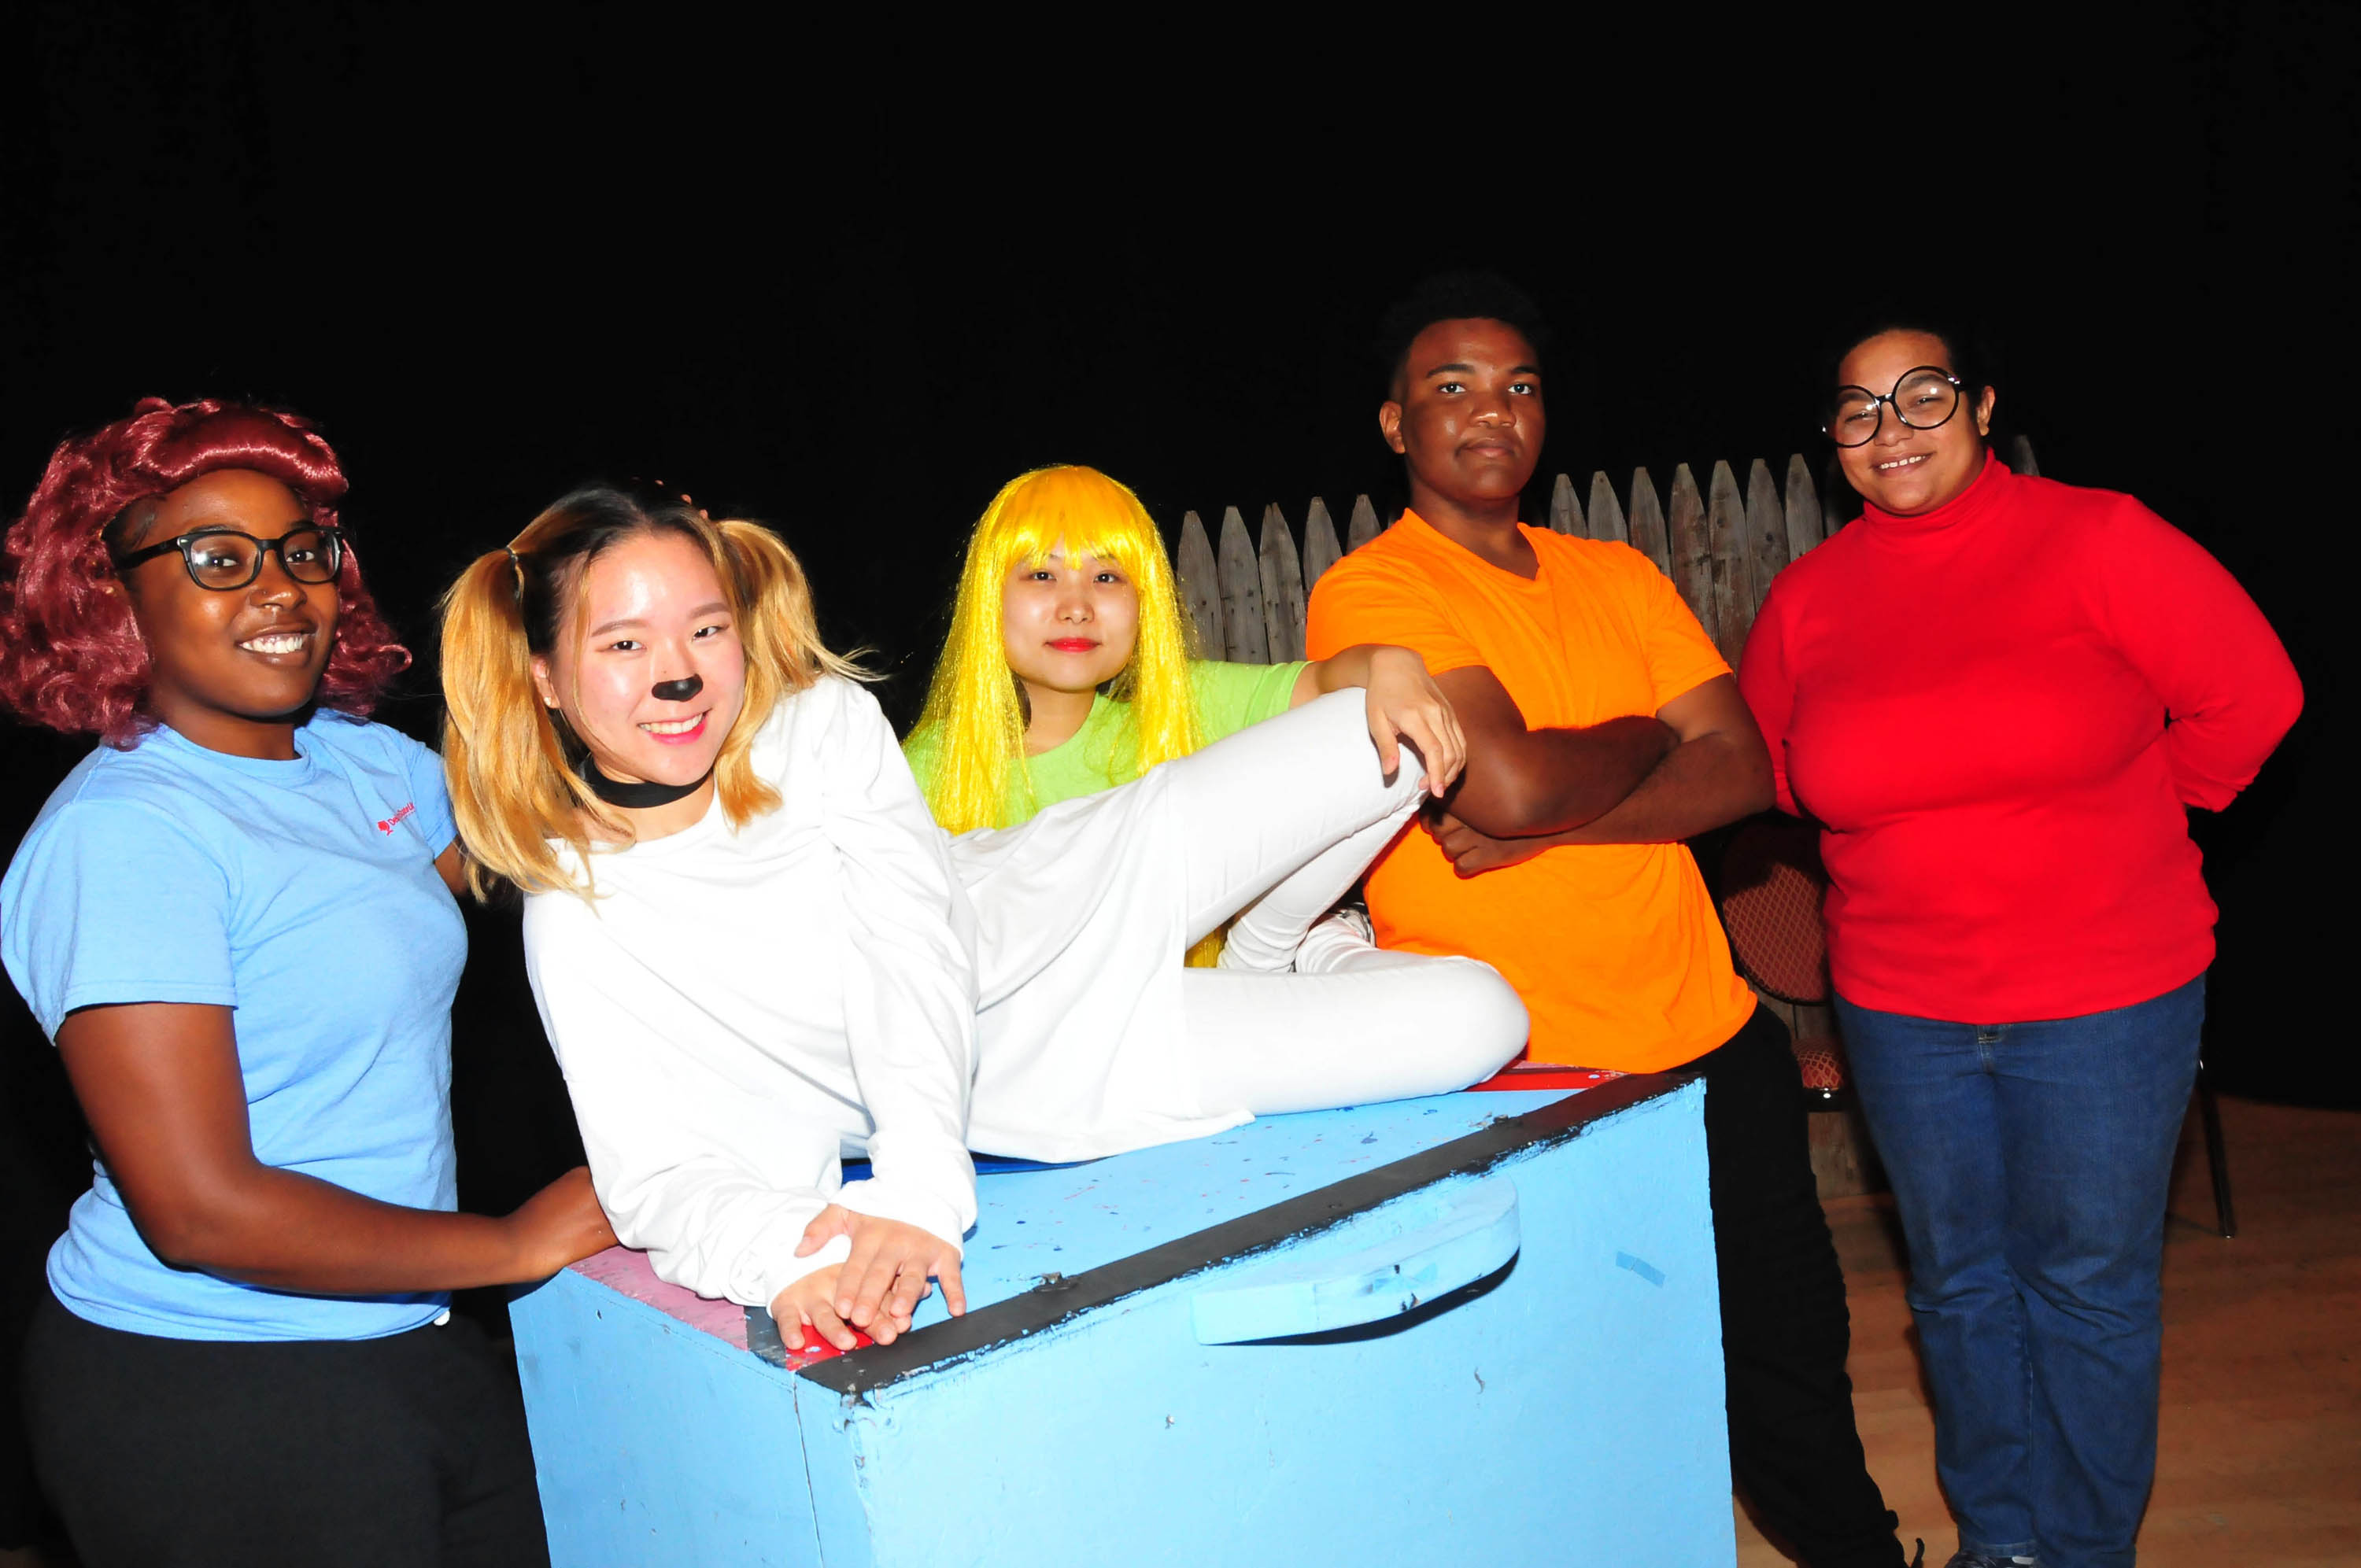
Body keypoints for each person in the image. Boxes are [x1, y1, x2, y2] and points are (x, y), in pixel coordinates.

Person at [436, 486, 1522, 1356]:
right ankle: (1265, 981)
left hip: (1076, 883)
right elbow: (661, 1175)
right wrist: (798, 1256)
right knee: (1484, 1018)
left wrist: (916, 1195)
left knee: (1389, 736)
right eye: (622, 646)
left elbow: (908, 955)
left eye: (704, 628)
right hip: (1055, 1069)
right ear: (544, 677)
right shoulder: (578, 909)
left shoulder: (820, 729)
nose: (676, 673)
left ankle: (1270, 948)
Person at [1305, 275, 1912, 1568]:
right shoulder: (1371, 596)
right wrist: (1648, 734)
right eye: (1450, 387)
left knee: (1791, 1354)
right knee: (1570, 1382)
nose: (1490, 411)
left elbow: (1743, 767)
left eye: (1519, 385)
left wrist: (1562, 815)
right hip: (1523, 1075)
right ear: (1393, 423)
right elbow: (1502, 777)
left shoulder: (1619, 572)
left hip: (1709, 1035)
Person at [0, 400, 617, 1568]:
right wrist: (515, 1243)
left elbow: (547, 847)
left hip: (409, 1330)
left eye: (303, 551)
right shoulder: (127, 837)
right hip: (210, 1385)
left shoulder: (358, 760)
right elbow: (200, 1211)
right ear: (110, 601)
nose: (279, 587)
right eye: (217, 560)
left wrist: (616, 631)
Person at [1738, 322, 2301, 1568]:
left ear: (1983, 406)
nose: (1892, 429)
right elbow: (1779, 772)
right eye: (1859, 410)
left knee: (2089, 1289)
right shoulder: (1811, 599)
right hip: (1901, 1006)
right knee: (1956, 1290)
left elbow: (2253, 696)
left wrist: (2140, 818)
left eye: (1922, 396)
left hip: (2107, 996)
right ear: (1834, 444)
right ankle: (2001, 1541)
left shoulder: (2097, 539)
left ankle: (2086, 1548)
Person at [904, 462, 1532, 1028]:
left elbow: (1329, 686)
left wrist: (1389, 660)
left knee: (1486, 1016)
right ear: (989, 600)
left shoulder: (1183, 708)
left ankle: (1279, 946)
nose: (1077, 606)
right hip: (1033, 1048)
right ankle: (1301, 943)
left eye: (1107, 576)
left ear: (1143, 605)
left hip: (1196, 1011)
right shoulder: (923, 770)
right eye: (1041, 573)